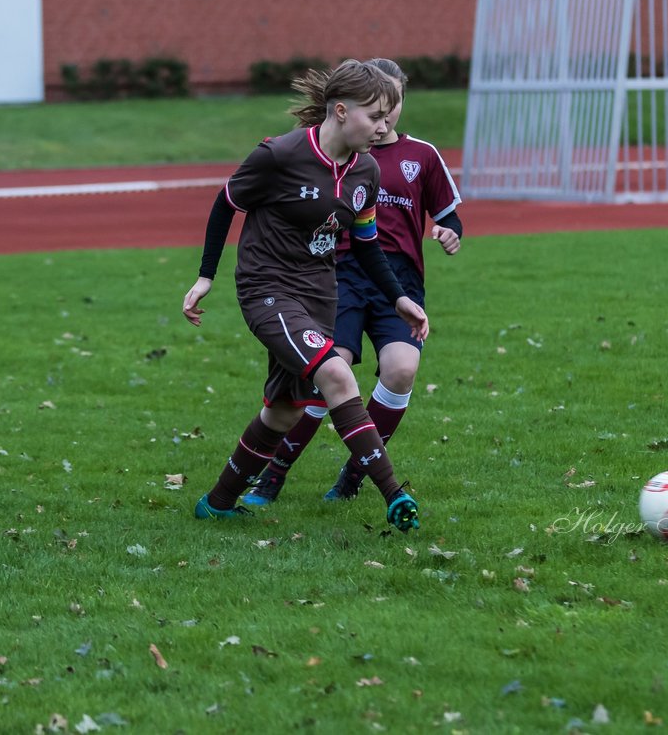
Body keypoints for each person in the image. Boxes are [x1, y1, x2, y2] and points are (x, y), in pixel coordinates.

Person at [181, 59, 427, 532]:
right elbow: (225, 203)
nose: (383, 127)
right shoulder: (280, 155)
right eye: (374, 117)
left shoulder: (366, 172)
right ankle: (394, 494)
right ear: (339, 111)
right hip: (267, 291)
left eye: (386, 118)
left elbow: (367, 243)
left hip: (319, 295)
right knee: (336, 373)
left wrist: (398, 297)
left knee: (284, 411)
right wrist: (205, 276)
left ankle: (217, 502)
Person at [241, 58, 463, 507]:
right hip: (337, 274)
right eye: (378, 107)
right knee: (329, 372)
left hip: (396, 278)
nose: (385, 116)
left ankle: (357, 471)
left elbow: (447, 214)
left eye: (392, 105)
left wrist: (448, 230)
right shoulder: (341, 152)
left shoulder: (421, 155)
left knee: (401, 370)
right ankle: (273, 474)